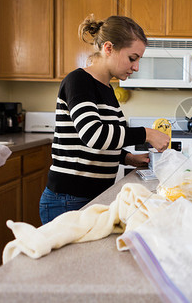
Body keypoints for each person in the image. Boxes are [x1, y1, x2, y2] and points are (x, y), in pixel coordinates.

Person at [39, 14, 170, 225]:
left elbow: (92, 144)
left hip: (92, 196)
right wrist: (147, 133)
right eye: (132, 58)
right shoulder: (79, 81)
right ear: (108, 48)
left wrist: (127, 158)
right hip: (67, 200)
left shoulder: (107, 88)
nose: (136, 67)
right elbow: (93, 135)